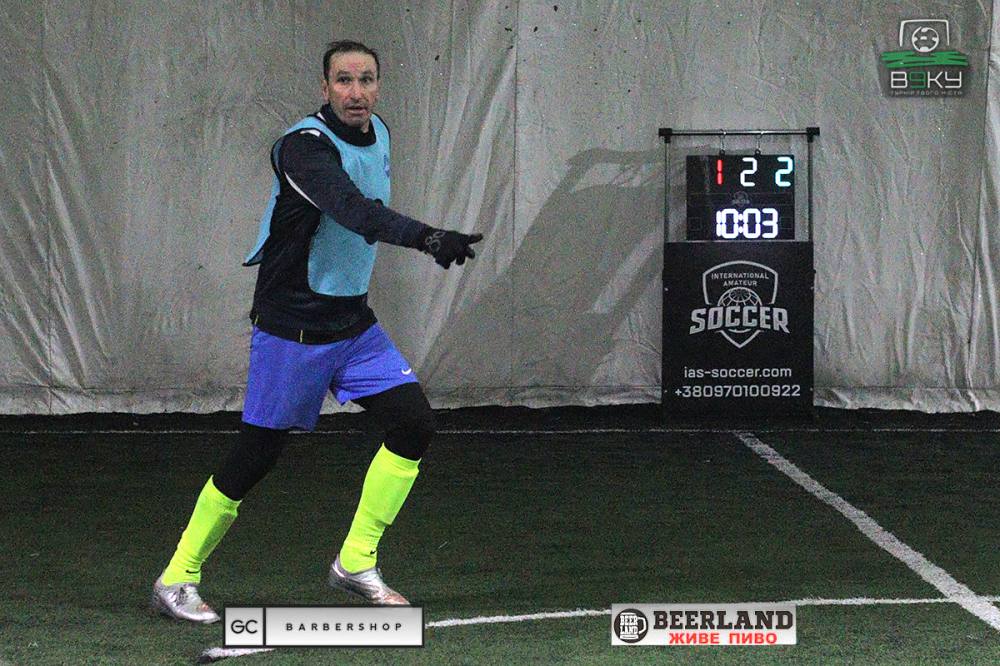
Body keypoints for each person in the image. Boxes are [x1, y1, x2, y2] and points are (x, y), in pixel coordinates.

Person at [151, 40, 482, 623]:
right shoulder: (302, 148)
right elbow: (352, 210)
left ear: (378, 86)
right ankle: (178, 575)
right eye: (344, 81)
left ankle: (355, 561)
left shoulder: (379, 132)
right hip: (294, 326)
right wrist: (428, 237)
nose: (356, 92)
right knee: (257, 454)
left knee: (413, 424)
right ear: (324, 88)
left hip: (352, 322)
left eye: (366, 80)